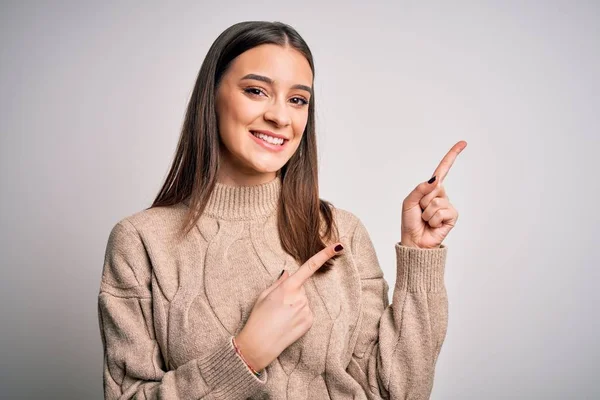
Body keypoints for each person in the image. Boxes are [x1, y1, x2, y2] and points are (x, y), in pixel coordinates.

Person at [97, 20, 467, 400]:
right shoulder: (139, 242)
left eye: (297, 99)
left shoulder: (342, 231)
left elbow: (394, 392)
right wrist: (245, 355)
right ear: (211, 97)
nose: (280, 116)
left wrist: (420, 257)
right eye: (256, 91)